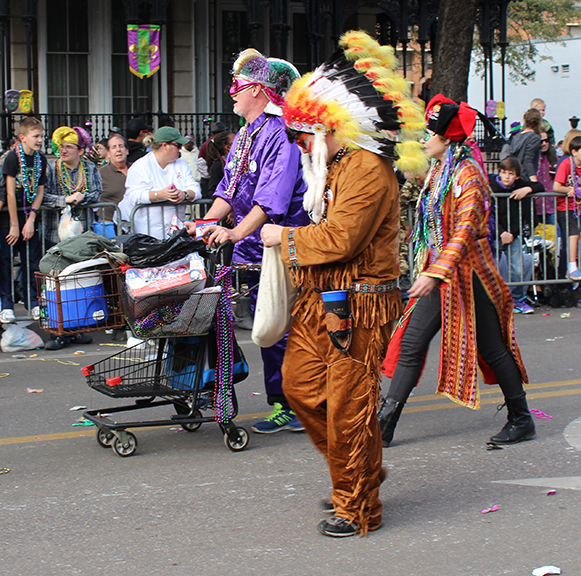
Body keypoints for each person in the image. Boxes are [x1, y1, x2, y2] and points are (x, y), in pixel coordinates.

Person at [260, 30, 427, 537]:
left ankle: (358, 506)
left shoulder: (368, 169)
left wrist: (283, 238)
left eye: (304, 134)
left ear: (328, 127)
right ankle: (358, 474)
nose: (299, 144)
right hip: (322, 300)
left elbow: (342, 239)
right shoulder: (338, 164)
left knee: (350, 406)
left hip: (360, 305)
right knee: (299, 388)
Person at [379, 94, 535, 450]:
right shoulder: (439, 169)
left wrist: (434, 273)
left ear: (445, 138)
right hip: (443, 273)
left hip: (470, 275)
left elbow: (465, 231)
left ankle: (521, 418)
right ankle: (385, 424)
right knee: (412, 343)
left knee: (492, 348)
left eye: (429, 134)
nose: (423, 140)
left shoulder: (468, 174)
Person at [185, 49, 309, 434]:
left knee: (280, 327)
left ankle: (293, 404)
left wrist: (235, 231)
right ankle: (224, 390)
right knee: (252, 324)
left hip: (282, 247)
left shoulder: (281, 134)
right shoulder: (243, 135)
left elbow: (272, 199)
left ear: (256, 89)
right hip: (250, 250)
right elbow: (229, 189)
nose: (231, 92)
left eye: (237, 85)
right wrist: (205, 224)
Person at [0, 117, 47, 323]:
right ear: (23, 137)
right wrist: (14, 224)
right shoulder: (12, 158)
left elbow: (40, 191)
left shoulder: (41, 159)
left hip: (30, 217)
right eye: (36, 136)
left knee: (32, 262)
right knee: (6, 262)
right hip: (10, 218)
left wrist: (31, 219)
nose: (40, 140)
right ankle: (6, 305)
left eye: (41, 136)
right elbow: (10, 193)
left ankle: (33, 302)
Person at [120, 126, 201, 239]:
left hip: (175, 231)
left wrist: (184, 194)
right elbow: (133, 195)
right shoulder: (140, 166)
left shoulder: (182, 164)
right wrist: (160, 195)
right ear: (165, 145)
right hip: (146, 231)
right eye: (177, 145)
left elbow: (196, 189)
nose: (180, 149)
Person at [491, 157, 544, 314]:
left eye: (511, 174)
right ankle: (493, 302)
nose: (507, 177)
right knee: (492, 270)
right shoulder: (491, 186)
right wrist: (501, 232)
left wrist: (527, 189)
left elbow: (539, 185)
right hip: (494, 233)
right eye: (504, 172)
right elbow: (489, 214)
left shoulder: (519, 184)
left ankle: (517, 299)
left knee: (518, 270)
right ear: (499, 172)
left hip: (513, 234)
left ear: (517, 176)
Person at [43, 126, 103, 248]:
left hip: (83, 234)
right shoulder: (50, 168)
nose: (63, 151)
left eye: (69, 147)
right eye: (62, 146)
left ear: (80, 151)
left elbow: (97, 193)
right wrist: (65, 200)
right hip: (55, 235)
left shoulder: (90, 168)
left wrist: (82, 197)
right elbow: (42, 196)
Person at [553, 135, 581, 282]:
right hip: (566, 207)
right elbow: (556, 186)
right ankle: (571, 266)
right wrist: (570, 190)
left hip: (579, 206)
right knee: (573, 234)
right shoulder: (566, 164)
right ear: (574, 152)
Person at [99, 134, 130, 223]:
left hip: (134, 222)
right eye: (114, 147)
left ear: (127, 151)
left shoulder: (136, 169)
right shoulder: (100, 173)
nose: (118, 150)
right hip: (109, 224)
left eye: (121, 146)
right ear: (108, 154)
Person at [508, 109, 542, 181]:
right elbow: (528, 160)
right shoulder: (534, 138)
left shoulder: (517, 136)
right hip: (526, 176)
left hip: (515, 175)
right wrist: (534, 180)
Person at [535, 130, 556, 225]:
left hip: (550, 207)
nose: (544, 143)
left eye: (546, 140)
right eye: (541, 141)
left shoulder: (554, 159)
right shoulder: (532, 160)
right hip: (535, 207)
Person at [206, 131, 234, 195]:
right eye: (236, 141)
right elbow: (213, 190)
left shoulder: (240, 162)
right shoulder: (218, 165)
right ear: (228, 147)